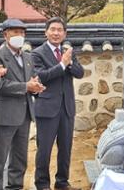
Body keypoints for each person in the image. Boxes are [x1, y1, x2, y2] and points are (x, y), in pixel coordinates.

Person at [32, 17, 84, 190]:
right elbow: (42, 76)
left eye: (59, 30)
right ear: (46, 32)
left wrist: (69, 64)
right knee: (44, 149)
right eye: (52, 29)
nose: (56, 33)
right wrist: (62, 64)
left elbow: (80, 73)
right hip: (46, 108)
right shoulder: (37, 53)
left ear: (65, 33)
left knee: (66, 148)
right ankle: (42, 184)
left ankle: (62, 182)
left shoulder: (68, 52)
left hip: (67, 108)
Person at [0, 19, 45, 189]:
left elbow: (29, 83)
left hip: (24, 115)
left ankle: (15, 187)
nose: (20, 36)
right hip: (4, 115)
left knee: (20, 159)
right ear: (5, 34)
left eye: (22, 32)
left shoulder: (27, 57)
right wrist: (26, 86)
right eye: (15, 32)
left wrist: (35, 88)